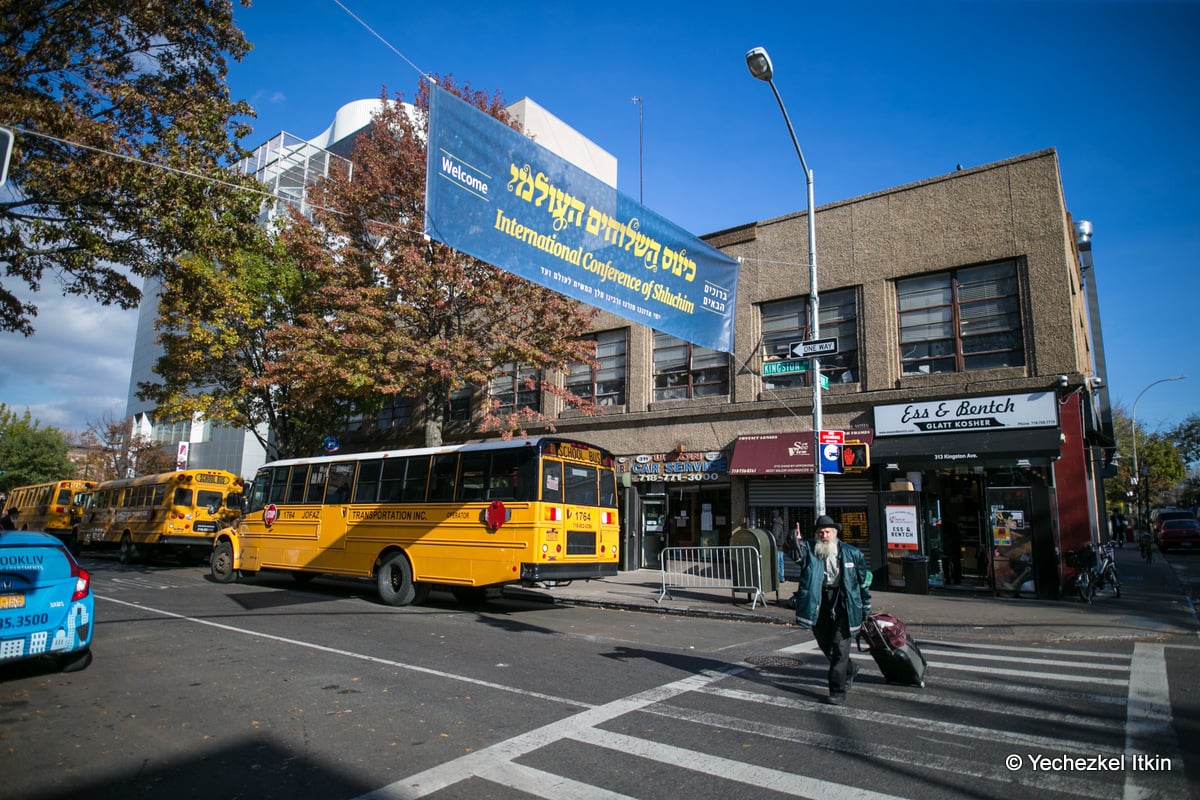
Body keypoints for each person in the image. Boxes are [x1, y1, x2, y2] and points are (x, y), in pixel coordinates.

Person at [791, 515, 872, 705]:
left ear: (835, 533)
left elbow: (862, 583)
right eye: (821, 532)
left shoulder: (852, 553)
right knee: (826, 644)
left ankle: (837, 690)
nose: (824, 535)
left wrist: (866, 607)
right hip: (819, 603)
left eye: (827, 531)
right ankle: (850, 669)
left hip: (844, 603)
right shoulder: (810, 551)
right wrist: (794, 540)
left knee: (839, 646)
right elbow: (794, 555)